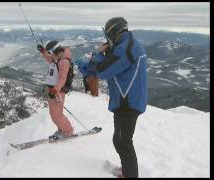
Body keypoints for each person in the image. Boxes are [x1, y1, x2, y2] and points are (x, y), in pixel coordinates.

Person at [75, 17, 147, 178]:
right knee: (120, 140)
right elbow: (107, 66)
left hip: (128, 103)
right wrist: (91, 64)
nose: (108, 40)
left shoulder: (124, 49)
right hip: (127, 100)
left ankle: (130, 175)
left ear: (114, 32)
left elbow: (103, 71)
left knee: (123, 142)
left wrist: (98, 54)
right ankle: (127, 171)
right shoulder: (127, 44)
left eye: (108, 35)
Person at [37, 41, 74, 141]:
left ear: (56, 50)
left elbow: (63, 78)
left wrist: (55, 90)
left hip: (57, 91)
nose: (50, 54)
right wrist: (43, 52)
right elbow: (50, 59)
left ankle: (68, 131)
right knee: (55, 113)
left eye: (51, 52)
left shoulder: (63, 62)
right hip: (52, 90)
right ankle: (62, 129)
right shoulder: (57, 58)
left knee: (56, 115)